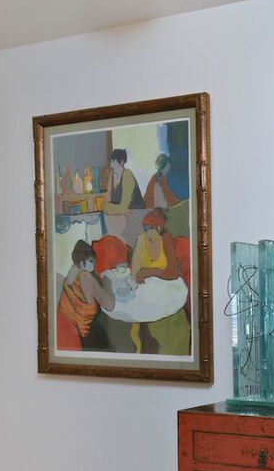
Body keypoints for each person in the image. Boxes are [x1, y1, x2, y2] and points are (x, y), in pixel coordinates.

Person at [129, 209, 190, 355]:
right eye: (145, 227)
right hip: (146, 291)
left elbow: (172, 273)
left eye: (150, 227)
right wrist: (140, 272)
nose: (147, 231)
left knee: (167, 329)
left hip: (167, 290)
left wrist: (148, 271)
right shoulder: (142, 239)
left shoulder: (166, 238)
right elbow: (135, 271)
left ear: (159, 227)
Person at [57, 240, 115, 351]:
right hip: (85, 332)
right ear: (82, 260)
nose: (94, 264)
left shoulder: (71, 272)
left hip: (69, 326)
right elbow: (110, 305)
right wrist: (109, 284)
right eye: (91, 261)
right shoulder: (86, 277)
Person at [103, 148, 145, 215]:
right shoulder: (112, 175)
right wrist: (110, 208)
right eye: (110, 161)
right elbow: (105, 205)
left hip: (136, 214)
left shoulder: (127, 175)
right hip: (122, 216)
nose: (111, 165)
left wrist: (110, 208)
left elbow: (123, 207)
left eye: (113, 161)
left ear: (121, 162)